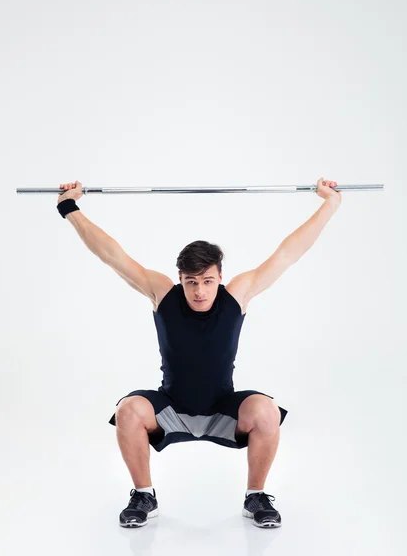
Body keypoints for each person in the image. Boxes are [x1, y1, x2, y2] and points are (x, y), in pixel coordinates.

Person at [56, 177, 341, 528]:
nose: (200, 291)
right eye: (191, 282)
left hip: (223, 409)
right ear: (180, 279)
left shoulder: (237, 295)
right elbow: (112, 256)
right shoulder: (163, 293)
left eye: (207, 281)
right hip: (171, 407)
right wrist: (70, 207)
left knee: (266, 410)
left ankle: (256, 497)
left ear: (221, 276)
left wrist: (329, 205)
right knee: (128, 410)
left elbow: (288, 254)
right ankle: (144, 496)